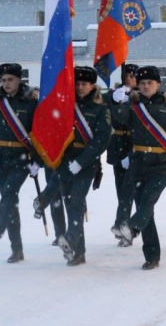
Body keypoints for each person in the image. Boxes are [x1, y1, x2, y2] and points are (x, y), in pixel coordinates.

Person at [114, 66, 166, 269]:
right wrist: (115, 102)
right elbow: (117, 123)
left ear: (158, 84)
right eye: (142, 83)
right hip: (138, 163)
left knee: (149, 199)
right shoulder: (131, 106)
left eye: (150, 83)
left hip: (162, 164)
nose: (146, 86)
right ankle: (152, 256)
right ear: (137, 86)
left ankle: (131, 227)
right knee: (144, 208)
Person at [34, 66, 111, 266]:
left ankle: (70, 239)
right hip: (64, 160)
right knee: (70, 203)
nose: (79, 87)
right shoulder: (65, 105)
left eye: (84, 84)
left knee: (76, 201)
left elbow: (102, 140)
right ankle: (78, 251)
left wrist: (82, 161)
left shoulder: (100, 109)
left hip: (86, 162)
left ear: (93, 85)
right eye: (76, 83)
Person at [0, 63, 38, 263]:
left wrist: (38, 160)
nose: (6, 84)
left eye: (10, 80)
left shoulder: (30, 102)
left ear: (19, 80)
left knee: (10, 193)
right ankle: (17, 249)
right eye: (3, 80)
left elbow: (39, 133)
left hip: (21, 157)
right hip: (0, 157)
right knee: (10, 201)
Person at [106, 63, 138, 246]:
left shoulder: (142, 97)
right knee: (122, 191)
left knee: (130, 192)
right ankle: (124, 226)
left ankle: (124, 226)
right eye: (126, 75)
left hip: (135, 147)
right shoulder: (114, 95)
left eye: (132, 76)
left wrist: (131, 153)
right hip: (117, 146)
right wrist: (115, 99)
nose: (128, 79)